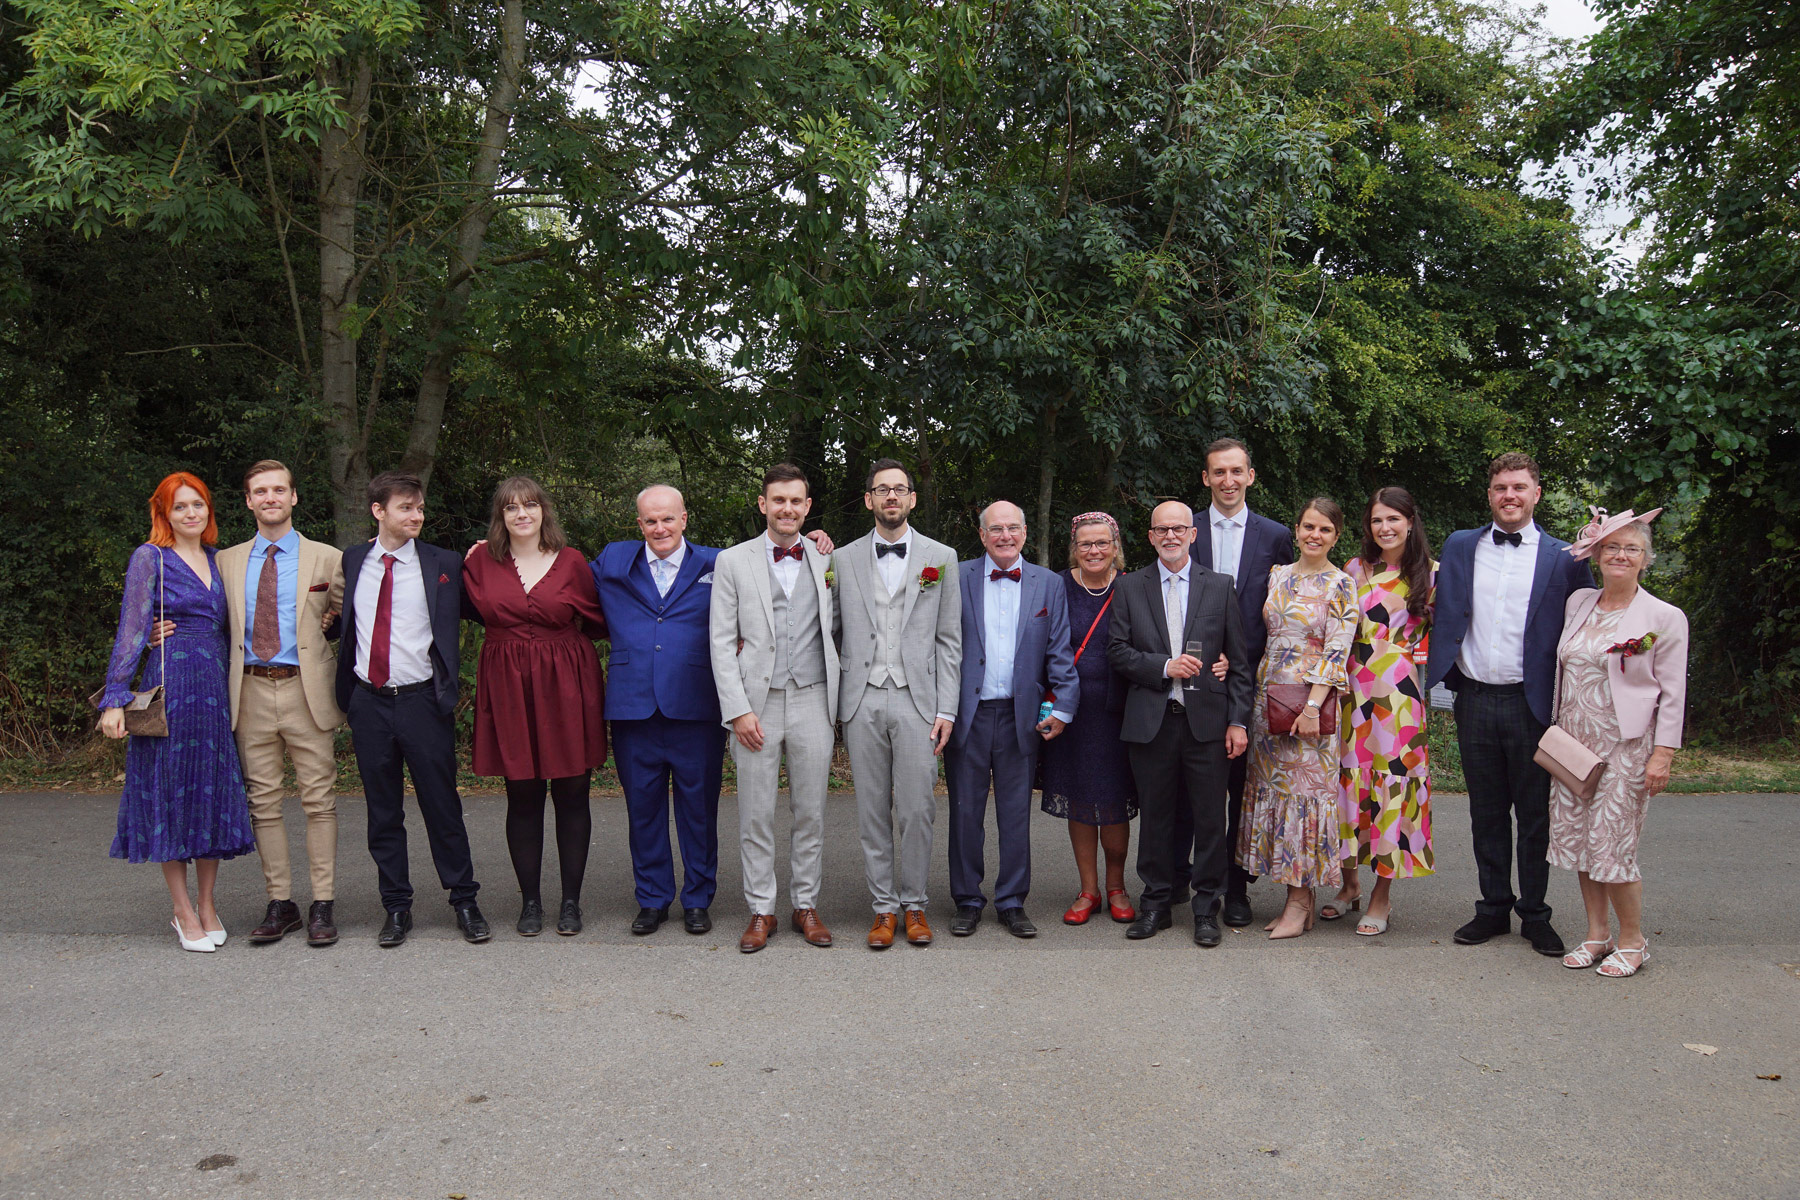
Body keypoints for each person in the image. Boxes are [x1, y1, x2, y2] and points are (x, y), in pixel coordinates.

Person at [592, 487, 834, 938]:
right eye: (650, 521)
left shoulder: (718, 562)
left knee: (699, 810)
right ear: (638, 524)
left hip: (696, 704)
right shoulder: (614, 560)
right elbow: (560, 580)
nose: (660, 528)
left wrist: (818, 538)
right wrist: (501, 551)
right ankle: (652, 898)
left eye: (668, 518)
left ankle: (698, 899)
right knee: (642, 809)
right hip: (634, 705)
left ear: (685, 518)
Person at [1426, 452, 1594, 957]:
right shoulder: (1461, 545)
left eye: (1519, 487)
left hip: (1532, 705)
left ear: (1536, 494)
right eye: (1501, 487)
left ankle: (1535, 915)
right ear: (1490, 494)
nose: (1510, 496)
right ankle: (1493, 908)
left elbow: (1590, 621)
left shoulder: (1565, 557)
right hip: (1473, 698)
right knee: (1486, 812)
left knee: (1535, 815)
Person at [98, 473, 255, 952]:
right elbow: (131, 627)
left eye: (198, 504)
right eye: (180, 506)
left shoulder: (217, 559)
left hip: (215, 690)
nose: (191, 513)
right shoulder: (151, 557)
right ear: (163, 513)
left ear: (209, 510)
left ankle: (207, 905)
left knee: (209, 793)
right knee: (172, 793)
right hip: (172, 688)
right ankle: (182, 910)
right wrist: (115, 698)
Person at [332, 471, 487, 947]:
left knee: (442, 806)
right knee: (383, 813)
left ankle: (464, 900)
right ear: (378, 511)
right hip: (368, 703)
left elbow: (485, 606)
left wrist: (492, 557)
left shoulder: (444, 562)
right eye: (405, 507)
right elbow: (342, 621)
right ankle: (396, 907)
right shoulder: (354, 559)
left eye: (420, 507)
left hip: (423, 701)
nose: (417, 515)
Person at [463, 477, 607, 938]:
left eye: (529, 505)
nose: (521, 514)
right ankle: (530, 902)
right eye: (511, 507)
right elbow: (438, 592)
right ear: (500, 516)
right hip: (507, 686)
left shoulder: (572, 561)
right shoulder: (478, 562)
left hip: (566, 683)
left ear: (544, 510)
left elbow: (600, 619)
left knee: (572, 791)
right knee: (522, 793)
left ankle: (570, 902)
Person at [1106, 501, 1253, 948]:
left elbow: (1239, 663)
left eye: (1178, 528)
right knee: (1155, 818)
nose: (1170, 536)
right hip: (1152, 721)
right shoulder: (1129, 587)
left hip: (1207, 722)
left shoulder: (1219, 585)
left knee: (1209, 819)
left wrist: (1238, 721)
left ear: (1193, 534)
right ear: (1151, 537)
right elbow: (1117, 651)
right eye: (1161, 529)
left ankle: (1206, 908)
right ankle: (1156, 903)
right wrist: (1164, 666)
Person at [708, 464, 840, 953]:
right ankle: (761, 908)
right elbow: (721, 641)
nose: (787, 508)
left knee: (811, 813)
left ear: (807, 507)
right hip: (755, 705)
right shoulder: (732, 561)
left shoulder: (827, 558)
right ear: (763, 504)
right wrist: (737, 710)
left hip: (814, 698)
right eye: (778, 500)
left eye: (796, 501)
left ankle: (805, 904)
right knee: (756, 814)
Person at [1548, 509, 1687, 978]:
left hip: (1626, 747)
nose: (1621, 555)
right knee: (1581, 841)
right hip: (1573, 743)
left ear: (1646, 558)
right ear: (1597, 554)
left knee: (1612, 844)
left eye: (1632, 548)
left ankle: (1633, 941)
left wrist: (1663, 753)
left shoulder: (1664, 616)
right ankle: (1597, 934)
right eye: (1612, 547)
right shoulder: (1579, 602)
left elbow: (1673, 692)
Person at [831, 458, 962, 950]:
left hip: (918, 700)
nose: (891, 496)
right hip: (861, 697)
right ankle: (883, 908)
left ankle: (915, 903)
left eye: (899, 489)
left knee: (917, 808)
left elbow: (949, 640)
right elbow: (828, 630)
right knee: (871, 810)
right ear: (869, 499)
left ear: (911, 498)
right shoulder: (841, 558)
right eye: (882, 489)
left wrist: (946, 709)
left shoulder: (941, 556)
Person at [220, 461, 346, 947]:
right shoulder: (226, 562)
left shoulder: (328, 558)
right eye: (260, 491)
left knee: (320, 799)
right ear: (248, 501)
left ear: (293, 497)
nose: (270, 498)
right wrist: (157, 629)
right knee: (263, 802)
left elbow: (349, 615)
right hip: (249, 689)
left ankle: (323, 903)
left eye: (278, 489)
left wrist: (333, 621)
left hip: (305, 690)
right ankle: (281, 903)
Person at [944, 501, 1078, 939]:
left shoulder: (1048, 583)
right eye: (996, 529)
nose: (1005, 536)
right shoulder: (955, 576)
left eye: (1013, 528)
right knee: (965, 813)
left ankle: (1012, 901)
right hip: (968, 714)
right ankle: (967, 900)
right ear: (982, 535)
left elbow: (1059, 649)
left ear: (1024, 533)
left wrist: (1063, 706)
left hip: (1021, 716)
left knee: (1016, 814)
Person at [1237, 499, 1358, 939]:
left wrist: (1311, 707)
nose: (1314, 535)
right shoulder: (1278, 575)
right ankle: (1293, 898)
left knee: (1304, 801)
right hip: (1267, 704)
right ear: (1297, 528)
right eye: (1309, 526)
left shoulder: (1342, 584)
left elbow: (1337, 650)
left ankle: (1299, 902)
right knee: (1275, 797)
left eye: (1324, 529)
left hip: (1311, 708)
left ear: (1336, 536)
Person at [1191, 437, 1294, 927]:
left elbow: (1282, 608)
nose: (1228, 480)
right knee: (1196, 787)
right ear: (1206, 478)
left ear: (1250, 476)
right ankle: (1185, 881)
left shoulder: (1275, 535)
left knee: (1242, 787)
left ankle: (1236, 888)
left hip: (1252, 679)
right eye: (1219, 472)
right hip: (1195, 676)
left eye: (1236, 471)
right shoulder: (1185, 529)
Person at [1329, 487, 1437, 936]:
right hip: (1351, 690)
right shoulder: (1353, 569)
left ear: (1410, 522)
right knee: (1346, 783)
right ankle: (1349, 883)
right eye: (1377, 520)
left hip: (1399, 699)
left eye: (1393, 518)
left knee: (1392, 787)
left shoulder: (1432, 574)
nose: (1385, 527)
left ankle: (1381, 896)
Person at [1040, 513, 1138, 925]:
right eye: (1085, 544)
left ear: (1116, 547)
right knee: (1080, 801)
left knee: (1114, 802)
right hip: (1072, 713)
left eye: (1102, 543)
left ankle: (1117, 886)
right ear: (1074, 549)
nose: (1094, 551)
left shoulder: (1133, 587)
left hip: (1120, 713)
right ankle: (1088, 890)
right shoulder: (1058, 585)